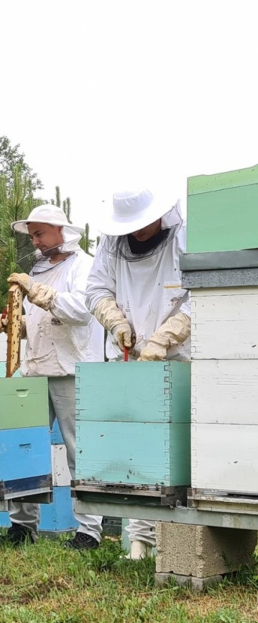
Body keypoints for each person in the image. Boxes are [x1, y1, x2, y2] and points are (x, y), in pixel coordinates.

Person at [86, 189, 190, 560]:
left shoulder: (184, 234)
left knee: (175, 451)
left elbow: (206, 290)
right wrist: (114, 320)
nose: (137, 231)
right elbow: (96, 288)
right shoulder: (111, 242)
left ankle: (176, 540)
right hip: (129, 355)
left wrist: (168, 334)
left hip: (175, 357)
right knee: (137, 450)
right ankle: (139, 540)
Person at [0, 204, 104, 549]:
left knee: (79, 452)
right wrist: (15, 324)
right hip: (36, 370)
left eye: (40, 234)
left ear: (60, 230)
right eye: (32, 236)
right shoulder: (39, 270)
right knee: (25, 447)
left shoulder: (83, 266)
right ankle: (22, 526)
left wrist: (39, 293)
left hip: (72, 371)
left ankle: (89, 531)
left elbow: (81, 312)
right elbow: (40, 322)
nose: (36, 242)